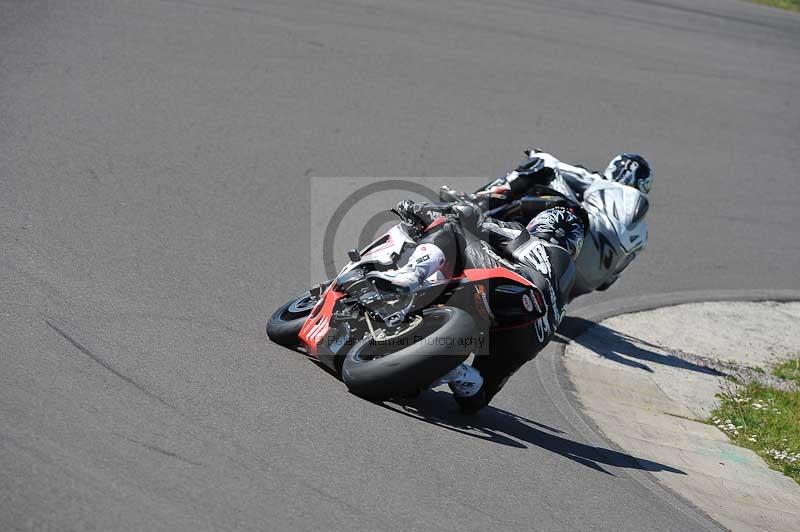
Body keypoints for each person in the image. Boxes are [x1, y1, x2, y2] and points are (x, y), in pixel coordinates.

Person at [370, 199, 585, 412]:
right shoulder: (564, 288)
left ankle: (412, 274)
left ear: (541, 223)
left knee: (451, 226)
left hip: (510, 288)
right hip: (529, 338)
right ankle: (458, 373)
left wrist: (420, 208)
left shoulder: (526, 237)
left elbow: (472, 218)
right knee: (476, 399)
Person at [442, 150, 652, 299]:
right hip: (590, 281)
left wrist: (536, 154)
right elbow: (609, 281)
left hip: (581, 237)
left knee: (543, 163)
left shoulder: (602, 183)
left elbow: (556, 166)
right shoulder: (642, 233)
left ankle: (477, 204)